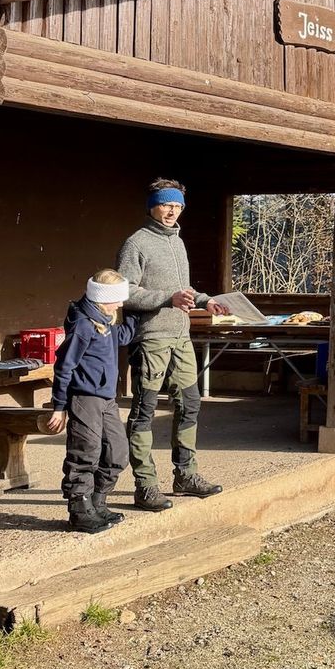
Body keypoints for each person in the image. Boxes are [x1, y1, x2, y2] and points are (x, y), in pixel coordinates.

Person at [116, 179, 229, 510]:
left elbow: (183, 289)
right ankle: (145, 485)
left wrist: (205, 301)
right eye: (166, 204)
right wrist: (168, 298)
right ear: (152, 205)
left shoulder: (177, 242)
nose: (172, 211)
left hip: (181, 338)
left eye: (178, 206)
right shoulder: (136, 243)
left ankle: (186, 475)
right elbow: (125, 293)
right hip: (151, 339)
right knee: (144, 410)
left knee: (190, 404)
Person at [44, 269, 137, 534]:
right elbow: (64, 367)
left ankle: (98, 502)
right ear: (101, 297)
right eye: (117, 299)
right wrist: (59, 406)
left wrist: (138, 315)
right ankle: (80, 510)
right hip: (85, 398)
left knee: (117, 452)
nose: (120, 304)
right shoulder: (84, 325)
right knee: (85, 453)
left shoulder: (105, 321)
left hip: (106, 398)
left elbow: (122, 338)